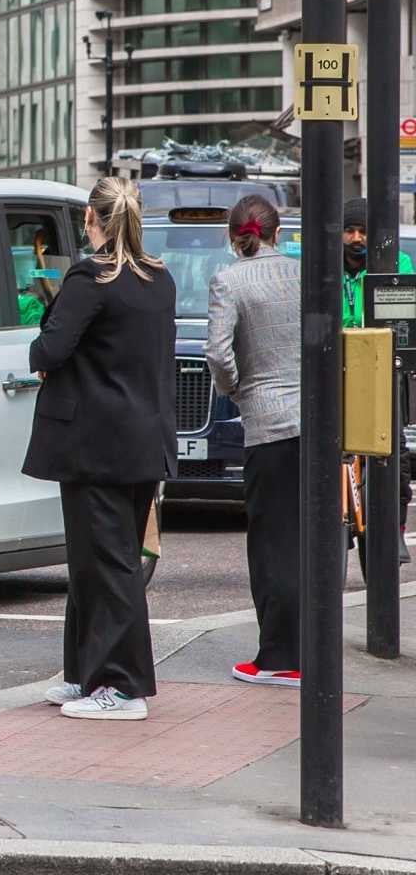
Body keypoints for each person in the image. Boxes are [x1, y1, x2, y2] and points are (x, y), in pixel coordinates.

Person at [23, 177, 175, 722]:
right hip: (142, 438)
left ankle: (121, 685)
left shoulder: (91, 276)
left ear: (92, 218)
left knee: (106, 565)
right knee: (97, 561)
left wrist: (40, 346)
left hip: (94, 440)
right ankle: (85, 673)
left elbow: (51, 346)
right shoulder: (158, 277)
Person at [205, 195, 301, 687]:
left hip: (266, 423)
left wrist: (238, 390)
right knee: (312, 536)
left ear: (234, 235)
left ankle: (280, 656)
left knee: (272, 542)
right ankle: (312, 647)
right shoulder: (304, 274)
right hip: (316, 422)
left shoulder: (228, 281)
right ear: (276, 230)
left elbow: (219, 356)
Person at [343, 197, 415, 548]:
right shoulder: (324, 267)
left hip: (383, 373)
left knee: (394, 452)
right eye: (349, 231)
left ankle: (394, 528)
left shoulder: (396, 264)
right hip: (338, 370)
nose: (356, 238)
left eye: (363, 232)